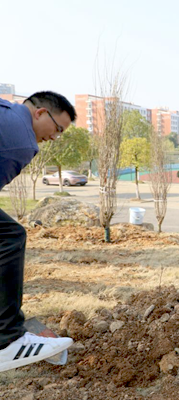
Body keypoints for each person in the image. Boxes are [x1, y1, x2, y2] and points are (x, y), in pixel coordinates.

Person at [0, 91, 76, 372]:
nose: (55, 138)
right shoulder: (22, 142)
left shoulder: (6, 110)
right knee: (9, 236)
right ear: (41, 113)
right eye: (58, 129)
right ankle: (7, 342)